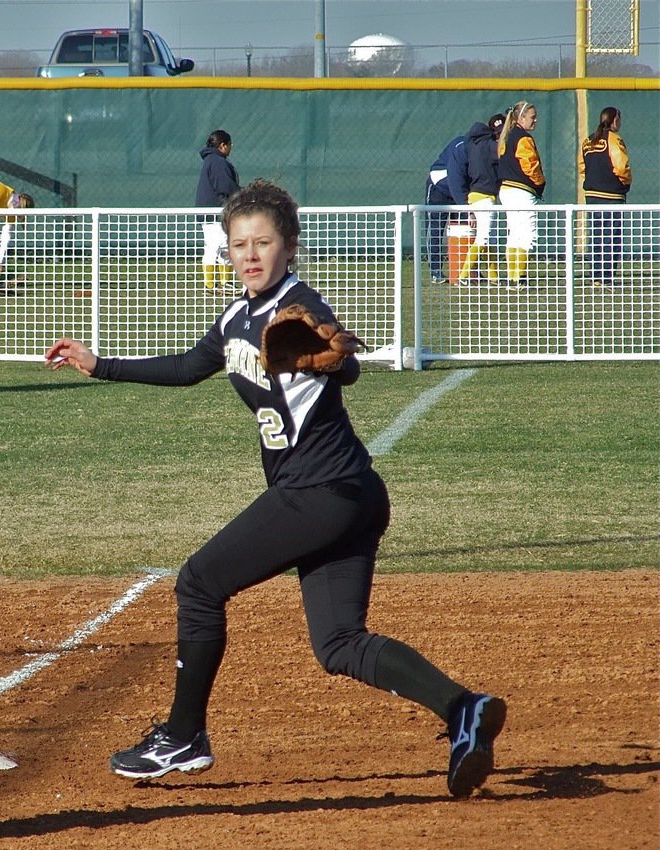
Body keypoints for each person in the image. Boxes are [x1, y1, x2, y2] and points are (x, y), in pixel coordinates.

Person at [44, 178, 506, 799]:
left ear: (288, 246)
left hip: (321, 491)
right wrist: (99, 363)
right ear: (228, 251)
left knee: (199, 582)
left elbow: (342, 361)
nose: (251, 254)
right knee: (339, 644)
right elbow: (186, 368)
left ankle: (183, 736)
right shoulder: (238, 317)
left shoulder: (300, 308)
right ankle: (462, 709)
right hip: (345, 494)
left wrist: (336, 360)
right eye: (240, 244)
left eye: (264, 242)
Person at [580, 106, 632, 287]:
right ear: (615, 121)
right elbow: (621, 167)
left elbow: (582, 167)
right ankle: (607, 276)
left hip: (592, 195)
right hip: (611, 195)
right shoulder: (615, 140)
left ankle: (596, 276)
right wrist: (625, 183)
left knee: (596, 235)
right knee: (612, 236)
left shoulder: (588, 141)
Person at [497, 101, 545, 287]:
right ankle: (520, 276)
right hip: (521, 190)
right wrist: (540, 182)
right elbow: (530, 166)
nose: (535, 121)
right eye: (532, 117)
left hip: (506, 190)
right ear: (521, 118)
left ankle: (513, 277)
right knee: (527, 234)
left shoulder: (506, 136)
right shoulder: (523, 138)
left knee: (514, 233)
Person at [457, 112, 506, 286]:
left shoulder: (474, 143)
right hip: (485, 196)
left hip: (475, 194)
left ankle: (493, 275)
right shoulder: (491, 146)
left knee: (488, 237)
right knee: (483, 237)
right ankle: (463, 275)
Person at [195, 130, 240, 291]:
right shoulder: (217, 162)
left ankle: (222, 282)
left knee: (220, 246)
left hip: (210, 212)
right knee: (217, 245)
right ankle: (211, 284)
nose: (231, 148)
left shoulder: (211, 160)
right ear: (222, 145)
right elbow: (226, 186)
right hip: (214, 212)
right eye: (229, 144)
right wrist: (241, 195)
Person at [423, 130, 470, 284]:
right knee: (435, 229)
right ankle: (435, 271)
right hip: (440, 189)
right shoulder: (461, 146)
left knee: (465, 231)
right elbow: (453, 177)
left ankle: (467, 271)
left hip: (462, 190)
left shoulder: (486, 149)